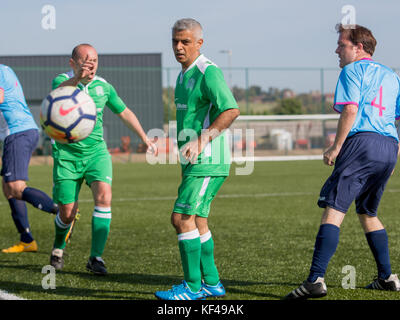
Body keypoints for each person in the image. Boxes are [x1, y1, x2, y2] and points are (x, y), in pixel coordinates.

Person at [285, 24, 400, 300]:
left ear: (359, 47)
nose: (337, 50)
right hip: (388, 145)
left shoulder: (351, 70)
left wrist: (336, 146)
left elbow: (350, 109)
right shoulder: (392, 76)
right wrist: (394, 152)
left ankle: (315, 280)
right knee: (368, 213)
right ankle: (387, 277)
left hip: (361, 144)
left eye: (342, 45)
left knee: (334, 210)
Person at [49, 43, 157, 275]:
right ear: (73, 63)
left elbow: (124, 112)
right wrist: (77, 78)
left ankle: (95, 257)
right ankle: (58, 248)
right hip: (67, 156)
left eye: (95, 61)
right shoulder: (61, 81)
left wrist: (145, 138)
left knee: (104, 197)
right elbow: (57, 95)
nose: (91, 66)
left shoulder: (103, 86)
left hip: (96, 153)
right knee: (67, 212)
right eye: (85, 62)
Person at [154, 19, 240, 300]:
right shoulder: (182, 75)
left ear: (199, 43)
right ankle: (212, 283)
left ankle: (192, 287)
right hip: (194, 162)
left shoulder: (208, 71)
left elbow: (230, 110)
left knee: (181, 218)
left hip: (208, 159)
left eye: (185, 42)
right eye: (175, 42)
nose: (179, 47)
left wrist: (202, 140)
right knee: (198, 220)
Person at [0, 64, 59, 253]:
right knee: (8, 188)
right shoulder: (5, 69)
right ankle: (27, 240)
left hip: (18, 132)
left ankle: (63, 213)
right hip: (18, 132)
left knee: (16, 187)